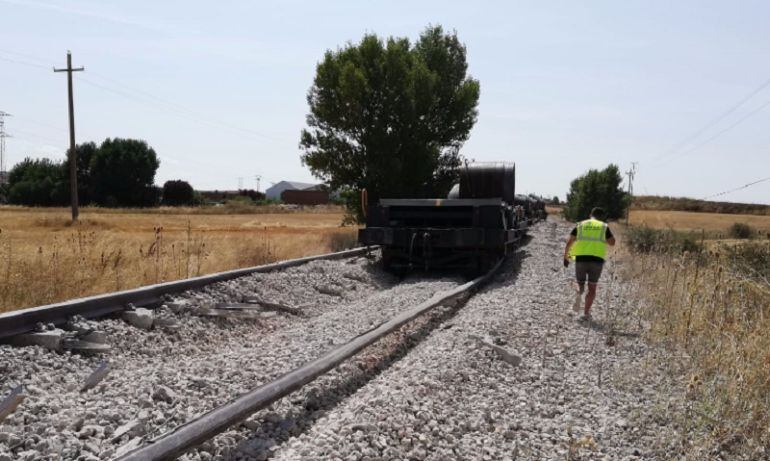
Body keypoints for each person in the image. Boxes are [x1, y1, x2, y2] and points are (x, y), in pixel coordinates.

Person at [562, 207, 616, 321]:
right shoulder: (604, 226)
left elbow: (569, 242)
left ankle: (578, 294)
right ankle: (585, 314)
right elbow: (612, 243)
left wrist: (566, 257)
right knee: (592, 288)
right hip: (597, 260)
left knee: (580, 283)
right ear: (601, 217)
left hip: (581, 259)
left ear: (590, 214)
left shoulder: (581, 225)